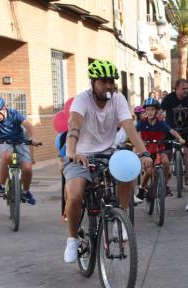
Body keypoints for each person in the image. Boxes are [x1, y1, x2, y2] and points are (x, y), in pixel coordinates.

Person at [62, 60, 152, 263]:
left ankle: (118, 220)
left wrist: (144, 152)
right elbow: (74, 125)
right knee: (75, 196)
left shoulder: (118, 99)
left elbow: (129, 127)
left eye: (111, 81)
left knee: (128, 168)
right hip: (80, 154)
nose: (109, 86)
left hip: (109, 153)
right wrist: (71, 151)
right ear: (93, 82)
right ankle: (72, 239)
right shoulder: (82, 100)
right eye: (104, 81)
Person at [0, 96, 39, 205]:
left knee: (27, 168)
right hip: (2, 142)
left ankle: (26, 192)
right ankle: (1, 186)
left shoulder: (14, 114)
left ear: (4, 108)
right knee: (8, 155)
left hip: (20, 141)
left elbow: (29, 126)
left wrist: (34, 137)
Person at [135, 98, 186, 200]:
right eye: (148, 110)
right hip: (147, 150)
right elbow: (135, 132)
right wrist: (139, 143)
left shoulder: (160, 122)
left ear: (157, 110)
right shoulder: (142, 122)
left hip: (159, 149)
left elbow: (171, 130)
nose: (150, 112)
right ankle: (141, 189)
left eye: (152, 109)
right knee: (148, 172)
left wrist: (180, 138)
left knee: (167, 164)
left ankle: (165, 185)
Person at [161, 79, 188, 184]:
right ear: (176, 88)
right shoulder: (169, 98)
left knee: (187, 152)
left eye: (187, 88)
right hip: (170, 129)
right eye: (183, 88)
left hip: (185, 129)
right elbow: (160, 111)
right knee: (167, 153)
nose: (186, 90)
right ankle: (166, 173)